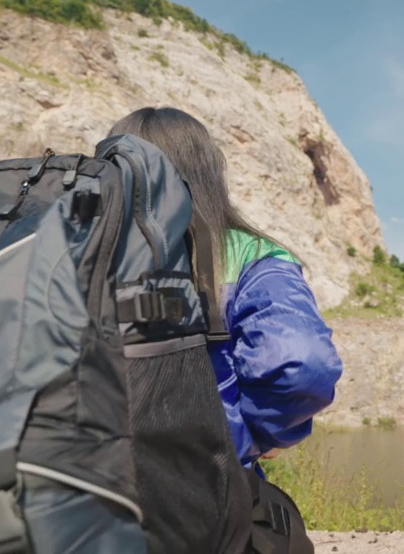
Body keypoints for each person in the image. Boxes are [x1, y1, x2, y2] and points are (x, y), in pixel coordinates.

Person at [107, 106, 343, 471]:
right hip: (198, 495)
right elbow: (302, 364)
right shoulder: (249, 255)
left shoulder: (74, 250)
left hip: (81, 494)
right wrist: (248, 436)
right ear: (208, 175)